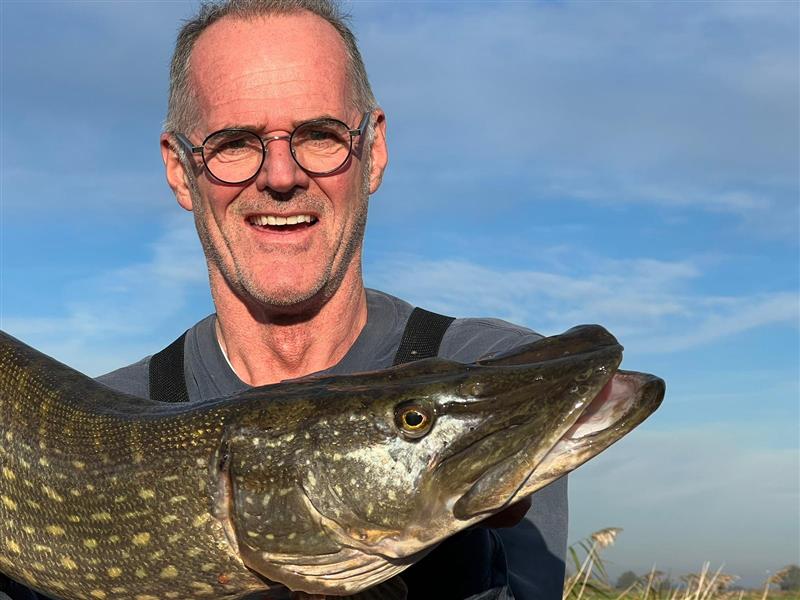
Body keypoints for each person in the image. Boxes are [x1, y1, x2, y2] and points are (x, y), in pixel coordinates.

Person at [1, 1, 567, 599]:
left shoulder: (491, 362)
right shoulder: (97, 417)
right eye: (234, 142)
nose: (280, 176)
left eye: (320, 135)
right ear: (180, 170)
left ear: (373, 150)